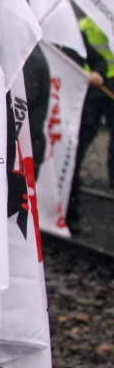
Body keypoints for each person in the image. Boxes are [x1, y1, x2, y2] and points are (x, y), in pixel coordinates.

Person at [67, 18, 112, 234]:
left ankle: (69, 215)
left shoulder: (77, 34)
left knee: (73, 155)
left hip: (88, 97)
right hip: (80, 99)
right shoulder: (82, 27)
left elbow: (99, 61)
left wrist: (98, 73)